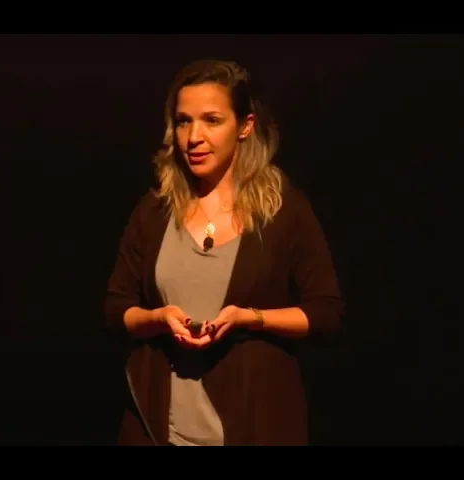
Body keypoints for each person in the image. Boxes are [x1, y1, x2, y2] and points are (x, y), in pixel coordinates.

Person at [105, 59, 344, 446]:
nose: (193, 137)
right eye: (184, 121)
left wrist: (249, 318)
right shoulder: (154, 211)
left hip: (253, 425)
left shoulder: (284, 211)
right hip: (158, 430)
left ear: (245, 126)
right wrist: (157, 319)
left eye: (212, 121)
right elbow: (117, 308)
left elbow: (325, 312)